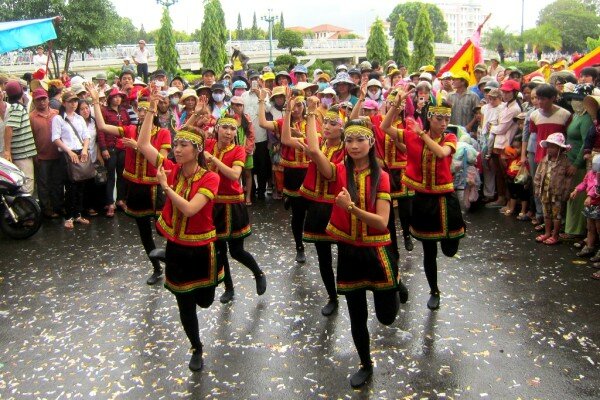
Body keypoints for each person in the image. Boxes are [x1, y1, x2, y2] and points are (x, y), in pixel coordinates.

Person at [303, 114, 406, 388]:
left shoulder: (381, 177)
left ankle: (396, 285)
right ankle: (365, 363)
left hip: (376, 253)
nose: (354, 145)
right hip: (349, 253)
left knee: (386, 317)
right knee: (357, 315)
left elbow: (382, 222)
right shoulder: (337, 171)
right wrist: (312, 113)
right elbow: (313, 150)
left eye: (360, 139)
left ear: (371, 142)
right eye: (349, 140)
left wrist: (351, 208)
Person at [137, 87, 223, 372]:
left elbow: (189, 209)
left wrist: (164, 188)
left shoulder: (210, 177)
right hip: (178, 247)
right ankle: (196, 347)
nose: (177, 148)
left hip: (202, 249)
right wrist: (150, 109)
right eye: (176, 145)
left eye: (183, 145)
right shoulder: (172, 170)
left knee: (206, 300)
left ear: (197, 150)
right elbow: (144, 145)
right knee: (184, 304)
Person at [90, 84, 172, 285]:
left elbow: (160, 159)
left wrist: (137, 146)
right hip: (136, 188)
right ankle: (156, 267)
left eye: (146, 109)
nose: (142, 113)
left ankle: (173, 260)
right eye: (140, 110)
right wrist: (94, 102)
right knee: (144, 231)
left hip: (155, 188)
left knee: (165, 228)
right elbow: (102, 127)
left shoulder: (163, 134)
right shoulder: (129, 129)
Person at [283, 98, 344, 316]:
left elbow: (328, 172)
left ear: (343, 127)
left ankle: (389, 282)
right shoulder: (319, 140)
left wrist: (309, 115)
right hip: (318, 207)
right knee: (323, 256)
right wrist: (292, 111)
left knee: (350, 255)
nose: (327, 127)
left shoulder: (348, 151)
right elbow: (286, 138)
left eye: (333, 123)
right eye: (325, 122)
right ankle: (332, 296)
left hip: (340, 206)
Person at [401, 104, 466, 310]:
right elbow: (385, 127)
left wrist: (421, 134)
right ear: (430, 118)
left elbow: (440, 153)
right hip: (423, 200)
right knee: (430, 252)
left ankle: (450, 240)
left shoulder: (450, 138)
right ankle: (434, 290)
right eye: (439, 119)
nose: (444, 123)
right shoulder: (415, 138)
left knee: (449, 248)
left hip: (446, 199)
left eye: (446, 119)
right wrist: (395, 105)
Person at [202, 115, 267, 304]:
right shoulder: (208, 144)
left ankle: (258, 273)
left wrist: (212, 158)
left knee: (237, 251)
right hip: (213, 205)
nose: (229, 132)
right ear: (217, 129)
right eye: (225, 128)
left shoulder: (238, 150)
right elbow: (188, 136)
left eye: (232, 129)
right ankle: (228, 288)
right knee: (220, 250)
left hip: (233, 205)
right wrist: (198, 114)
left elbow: (234, 174)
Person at [258, 88, 311, 263]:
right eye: (292, 106)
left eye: (298, 105)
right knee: (298, 214)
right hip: (293, 173)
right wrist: (261, 101)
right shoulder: (282, 123)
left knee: (314, 210)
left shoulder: (313, 122)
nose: (296, 109)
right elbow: (263, 123)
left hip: (310, 171)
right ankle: (299, 246)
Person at [51, 91, 91, 229]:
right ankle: (69, 216)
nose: (74, 104)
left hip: (80, 152)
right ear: (64, 103)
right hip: (67, 154)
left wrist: (85, 149)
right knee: (70, 186)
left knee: (81, 185)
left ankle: (78, 214)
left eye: (75, 101)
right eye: (70, 101)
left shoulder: (79, 118)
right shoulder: (58, 119)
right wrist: (68, 151)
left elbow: (86, 136)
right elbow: (55, 138)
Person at [534, 133, 574, 245]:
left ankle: (555, 235)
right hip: (545, 192)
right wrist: (537, 189)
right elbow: (538, 175)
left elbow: (568, 180)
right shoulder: (544, 160)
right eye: (549, 146)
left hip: (557, 193)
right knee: (546, 214)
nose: (550, 149)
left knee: (557, 215)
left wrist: (566, 193)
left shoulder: (565, 162)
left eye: (553, 147)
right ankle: (547, 233)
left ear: (560, 149)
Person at [98, 87, 131, 217]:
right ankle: (110, 202)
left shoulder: (124, 111)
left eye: (119, 96)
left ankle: (120, 200)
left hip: (123, 146)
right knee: (111, 176)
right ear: (110, 98)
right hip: (110, 146)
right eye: (115, 96)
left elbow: (128, 128)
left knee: (122, 174)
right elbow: (101, 131)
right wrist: (103, 148)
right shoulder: (104, 111)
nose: (117, 99)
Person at [30, 88, 61, 218]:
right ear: (34, 101)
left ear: (48, 99)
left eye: (44, 99)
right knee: (43, 185)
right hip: (41, 157)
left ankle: (58, 206)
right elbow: (30, 138)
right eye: (39, 100)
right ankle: (46, 209)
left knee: (57, 183)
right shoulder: (31, 117)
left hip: (58, 154)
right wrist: (34, 155)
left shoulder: (56, 113)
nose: (42, 102)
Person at [2, 80, 37, 195]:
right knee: (27, 185)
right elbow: (9, 127)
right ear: (21, 92)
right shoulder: (17, 108)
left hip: (20, 152)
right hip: (22, 153)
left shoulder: (13, 107)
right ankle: (24, 211)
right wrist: (7, 151)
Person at [569, 155, 600, 261]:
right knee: (590, 227)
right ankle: (589, 247)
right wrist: (576, 190)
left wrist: (590, 196)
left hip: (597, 204)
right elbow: (584, 183)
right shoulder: (590, 174)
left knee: (598, 228)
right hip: (590, 205)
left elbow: (597, 187)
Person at [228, 96, 255, 205]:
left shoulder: (247, 119)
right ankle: (237, 194)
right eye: (234, 105)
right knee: (236, 174)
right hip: (233, 151)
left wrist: (246, 150)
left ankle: (248, 196)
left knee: (248, 173)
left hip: (246, 151)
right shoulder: (228, 118)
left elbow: (251, 136)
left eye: (239, 105)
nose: (237, 107)